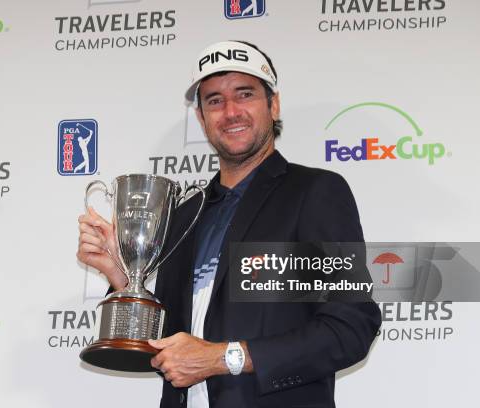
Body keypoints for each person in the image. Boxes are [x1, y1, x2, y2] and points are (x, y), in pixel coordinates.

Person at [78, 41, 382, 408]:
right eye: (215, 101)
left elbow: (350, 327)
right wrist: (123, 277)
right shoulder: (186, 214)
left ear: (273, 105)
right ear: (201, 118)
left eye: (245, 94)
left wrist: (225, 358)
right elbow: (164, 345)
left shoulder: (313, 193)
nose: (231, 111)